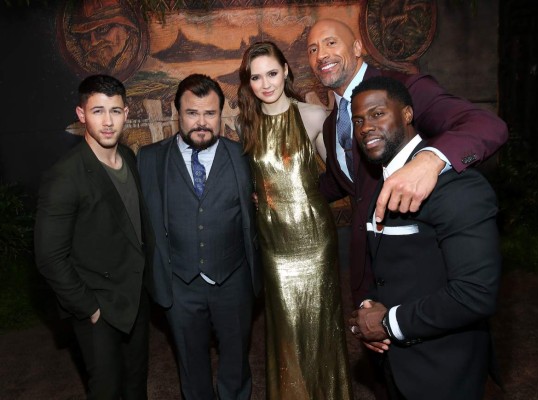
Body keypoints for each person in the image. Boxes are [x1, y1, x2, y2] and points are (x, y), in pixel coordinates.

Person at [306, 19, 509, 306]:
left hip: (424, 276)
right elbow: (344, 182)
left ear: (358, 47)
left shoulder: (406, 88)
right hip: (370, 275)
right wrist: (278, 194)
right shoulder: (332, 124)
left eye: (330, 43)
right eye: (312, 49)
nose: (321, 55)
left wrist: (429, 161)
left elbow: (486, 125)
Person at [348, 76, 501, 399]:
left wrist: (388, 323)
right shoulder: (383, 178)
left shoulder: (457, 186)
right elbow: (391, 266)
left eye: (378, 114)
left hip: (445, 369)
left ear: (406, 114)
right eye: (358, 120)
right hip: (398, 366)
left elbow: (475, 294)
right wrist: (368, 306)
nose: (365, 128)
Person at [236, 41, 353, 399]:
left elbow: (340, 176)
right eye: (256, 77)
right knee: (285, 329)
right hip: (274, 245)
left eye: (271, 73)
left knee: (320, 326)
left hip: (314, 240)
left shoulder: (313, 116)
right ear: (249, 82)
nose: (265, 84)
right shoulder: (247, 125)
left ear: (286, 70)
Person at [137, 74, 261, 400]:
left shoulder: (244, 157)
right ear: (178, 112)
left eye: (210, 113)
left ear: (222, 115)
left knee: (236, 364)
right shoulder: (149, 160)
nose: (201, 123)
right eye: (192, 113)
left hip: (233, 281)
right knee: (191, 368)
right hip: (179, 285)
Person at [34, 74, 155, 400]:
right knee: (107, 391)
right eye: (98, 111)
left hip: (133, 299)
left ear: (127, 114)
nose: (107, 121)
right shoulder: (65, 176)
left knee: (135, 386)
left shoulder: (129, 158)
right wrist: (90, 308)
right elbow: (49, 256)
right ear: (81, 114)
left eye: (115, 111)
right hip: (98, 306)